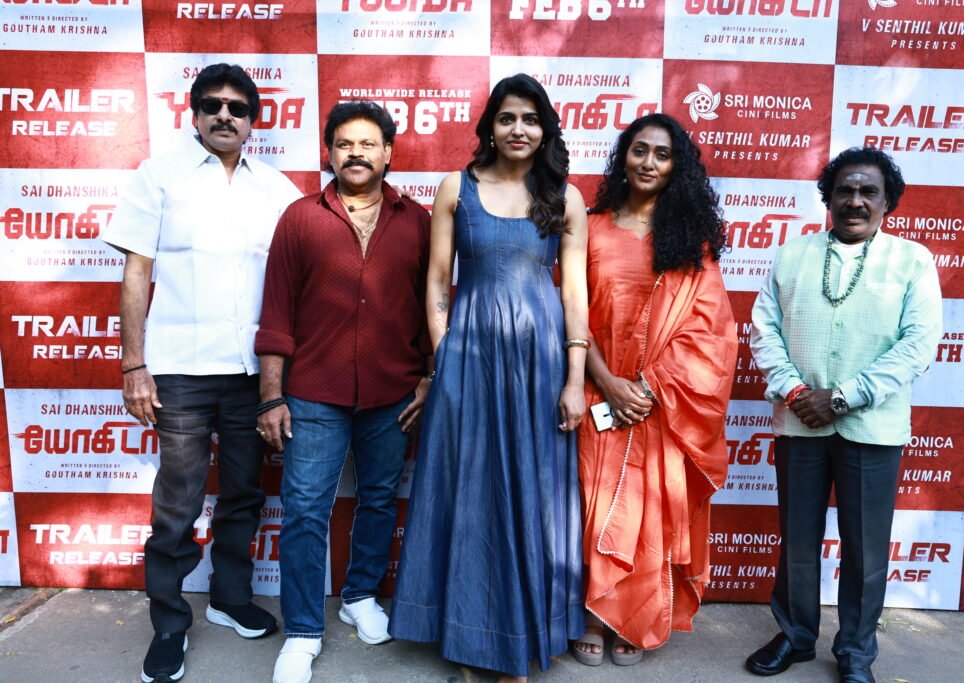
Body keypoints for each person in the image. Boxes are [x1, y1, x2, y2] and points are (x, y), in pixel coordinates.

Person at [101, 63, 302, 683]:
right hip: (180, 371)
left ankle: (229, 598)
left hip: (250, 373)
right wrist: (134, 364)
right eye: (212, 104)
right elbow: (136, 273)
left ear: (253, 121)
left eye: (237, 107)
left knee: (244, 493)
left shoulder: (276, 190)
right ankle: (169, 624)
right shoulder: (158, 175)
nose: (224, 115)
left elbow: (295, 279)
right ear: (193, 113)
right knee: (178, 504)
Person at [387, 73, 589, 682]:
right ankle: (472, 636)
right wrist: (445, 355)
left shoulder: (566, 198)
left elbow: (573, 292)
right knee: (471, 491)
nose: (518, 129)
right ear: (490, 127)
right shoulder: (457, 187)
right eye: (507, 118)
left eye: (530, 119)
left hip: (539, 362)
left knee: (534, 492)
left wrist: (574, 378)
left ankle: (520, 637)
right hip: (469, 355)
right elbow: (436, 279)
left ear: (544, 129)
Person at [747, 147, 942, 683]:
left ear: (887, 202)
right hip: (799, 421)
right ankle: (795, 636)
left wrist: (841, 397)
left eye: (868, 192)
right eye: (845, 191)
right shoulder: (792, 254)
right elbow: (764, 330)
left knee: (865, 548)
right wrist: (796, 392)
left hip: (872, 428)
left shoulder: (913, 261)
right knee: (797, 539)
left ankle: (856, 652)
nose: (855, 201)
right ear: (828, 198)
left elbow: (918, 345)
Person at [254, 101, 433, 683]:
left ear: (389, 153)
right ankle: (304, 631)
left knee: (379, 499)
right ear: (329, 152)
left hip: (393, 391)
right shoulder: (300, 218)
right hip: (313, 391)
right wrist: (272, 396)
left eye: (368, 143)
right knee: (305, 510)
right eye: (344, 144)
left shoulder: (418, 221)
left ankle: (359, 596)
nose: (356, 153)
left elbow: (434, 307)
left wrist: (429, 377)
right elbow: (276, 313)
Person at [571, 113, 737, 667]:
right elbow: (568, 312)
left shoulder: (690, 244)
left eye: (662, 155)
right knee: (593, 504)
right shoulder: (590, 227)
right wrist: (608, 382)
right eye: (639, 150)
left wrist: (646, 388)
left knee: (647, 512)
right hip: (596, 389)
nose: (648, 162)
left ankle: (634, 619)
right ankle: (591, 615)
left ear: (676, 168)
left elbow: (710, 333)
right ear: (624, 157)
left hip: (658, 404)